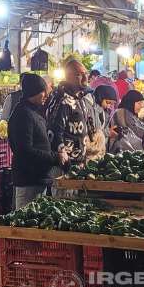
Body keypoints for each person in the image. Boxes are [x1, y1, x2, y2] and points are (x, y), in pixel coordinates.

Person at [9, 73, 68, 208]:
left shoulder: (34, 112)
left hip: (38, 178)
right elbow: (25, 151)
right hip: (28, 179)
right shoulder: (22, 115)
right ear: (33, 92)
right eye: (43, 92)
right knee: (25, 221)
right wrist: (55, 157)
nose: (46, 96)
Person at [45, 60, 95, 166]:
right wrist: (63, 155)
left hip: (79, 161)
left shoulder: (79, 97)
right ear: (69, 76)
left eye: (86, 74)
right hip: (67, 165)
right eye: (79, 75)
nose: (85, 78)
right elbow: (54, 131)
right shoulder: (63, 100)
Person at [86, 85, 117, 162]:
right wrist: (107, 132)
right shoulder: (88, 107)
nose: (109, 106)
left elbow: (101, 128)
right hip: (89, 152)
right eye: (108, 102)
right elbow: (91, 131)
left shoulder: (102, 109)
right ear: (100, 97)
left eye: (112, 104)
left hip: (98, 151)